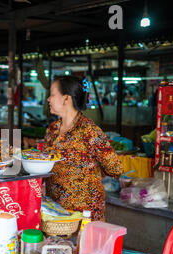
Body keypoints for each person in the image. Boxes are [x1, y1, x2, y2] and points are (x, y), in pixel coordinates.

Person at [43, 76, 123, 221]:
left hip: (84, 216)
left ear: (66, 99)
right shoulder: (52, 129)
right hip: (56, 213)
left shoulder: (89, 131)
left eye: (53, 94)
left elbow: (115, 168)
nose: (48, 99)